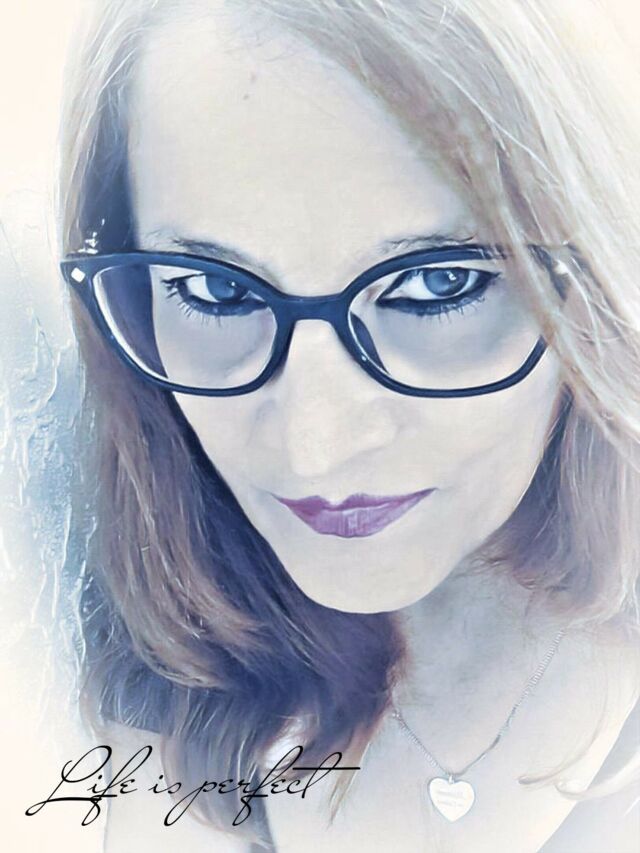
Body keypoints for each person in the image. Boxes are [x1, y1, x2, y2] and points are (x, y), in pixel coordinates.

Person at [58, 0, 640, 850]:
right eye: (217, 291)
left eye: (438, 285)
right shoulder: (144, 665)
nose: (316, 445)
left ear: (601, 280)